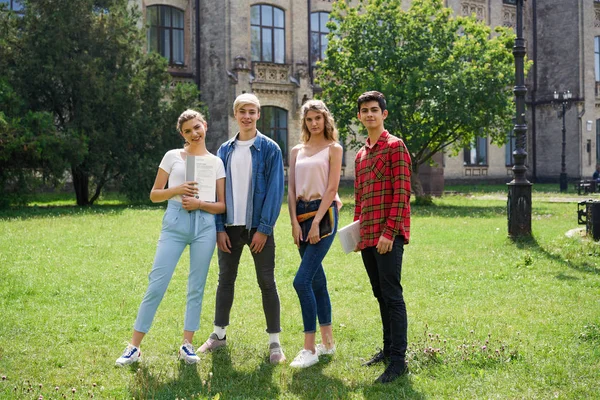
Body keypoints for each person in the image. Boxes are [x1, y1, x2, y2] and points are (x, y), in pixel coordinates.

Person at [115, 110, 226, 366]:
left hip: (205, 225)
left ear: (205, 126)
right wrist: (176, 190)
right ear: (182, 134)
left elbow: (222, 206)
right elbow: (154, 194)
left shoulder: (216, 162)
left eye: (197, 127)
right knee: (157, 282)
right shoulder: (172, 157)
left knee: (196, 285)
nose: (194, 134)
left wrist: (199, 202)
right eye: (187, 131)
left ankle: (187, 345)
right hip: (175, 222)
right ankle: (134, 347)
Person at [199, 93, 286, 364]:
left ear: (259, 115)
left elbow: (275, 191)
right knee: (225, 281)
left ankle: (275, 343)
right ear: (234, 115)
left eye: (252, 111)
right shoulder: (224, 151)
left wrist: (264, 229)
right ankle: (218, 335)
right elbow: (216, 193)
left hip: (258, 228)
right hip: (229, 227)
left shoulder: (270, 149)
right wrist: (218, 229)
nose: (247, 116)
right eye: (242, 111)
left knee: (266, 282)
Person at [353, 91, 411, 383]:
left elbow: (402, 193)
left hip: (389, 236)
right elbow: (359, 198)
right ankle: (387, 350)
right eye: (364, 111)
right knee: (379, 295)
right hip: (367, 237)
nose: (370, 114)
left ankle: (399, 361)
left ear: (384, 114)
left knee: (392, 295)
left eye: (374, 110)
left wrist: (390, 233)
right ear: (360, 116)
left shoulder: (395, 147)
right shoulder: (361, 154)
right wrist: (355, 233)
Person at [286, 100, 343, 368]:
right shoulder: (297, 150)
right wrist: (295, 224)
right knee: (317, 281)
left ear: (325, 120)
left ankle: (309, 349)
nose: (314, 123)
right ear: (304, 122)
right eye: (309, 119)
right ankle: (328, 343)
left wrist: (316, 222)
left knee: (302, 281)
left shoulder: (334, 149)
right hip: (301, 215)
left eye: (318, 118)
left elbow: (332, 189)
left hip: (325, 215)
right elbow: (291, 190)